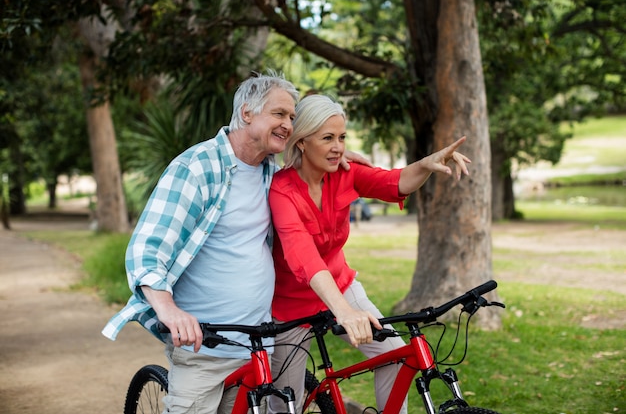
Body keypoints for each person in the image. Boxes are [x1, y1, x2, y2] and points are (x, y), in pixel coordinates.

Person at [101, 73, 368, 414]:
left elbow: (312, 151)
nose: (289, 124)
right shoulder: (196, 168)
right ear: (246, 113)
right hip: (207, 349)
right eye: (280, 114)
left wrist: (340, 153)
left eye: (291, 117)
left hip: (260, 345)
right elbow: (146, 250)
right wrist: (169, 310)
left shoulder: (271, 171)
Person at [267, 94, 471, 414]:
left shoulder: (344, 173)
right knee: (284, 403)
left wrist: (427, 163)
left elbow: (393, 182)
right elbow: (303, 255)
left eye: (342, 137)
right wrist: (344, 312)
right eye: (328, 138)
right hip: (291, 303)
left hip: (341, 284)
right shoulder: (282, 190)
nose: (339, 147)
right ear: (302, 142)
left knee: (395, 356)